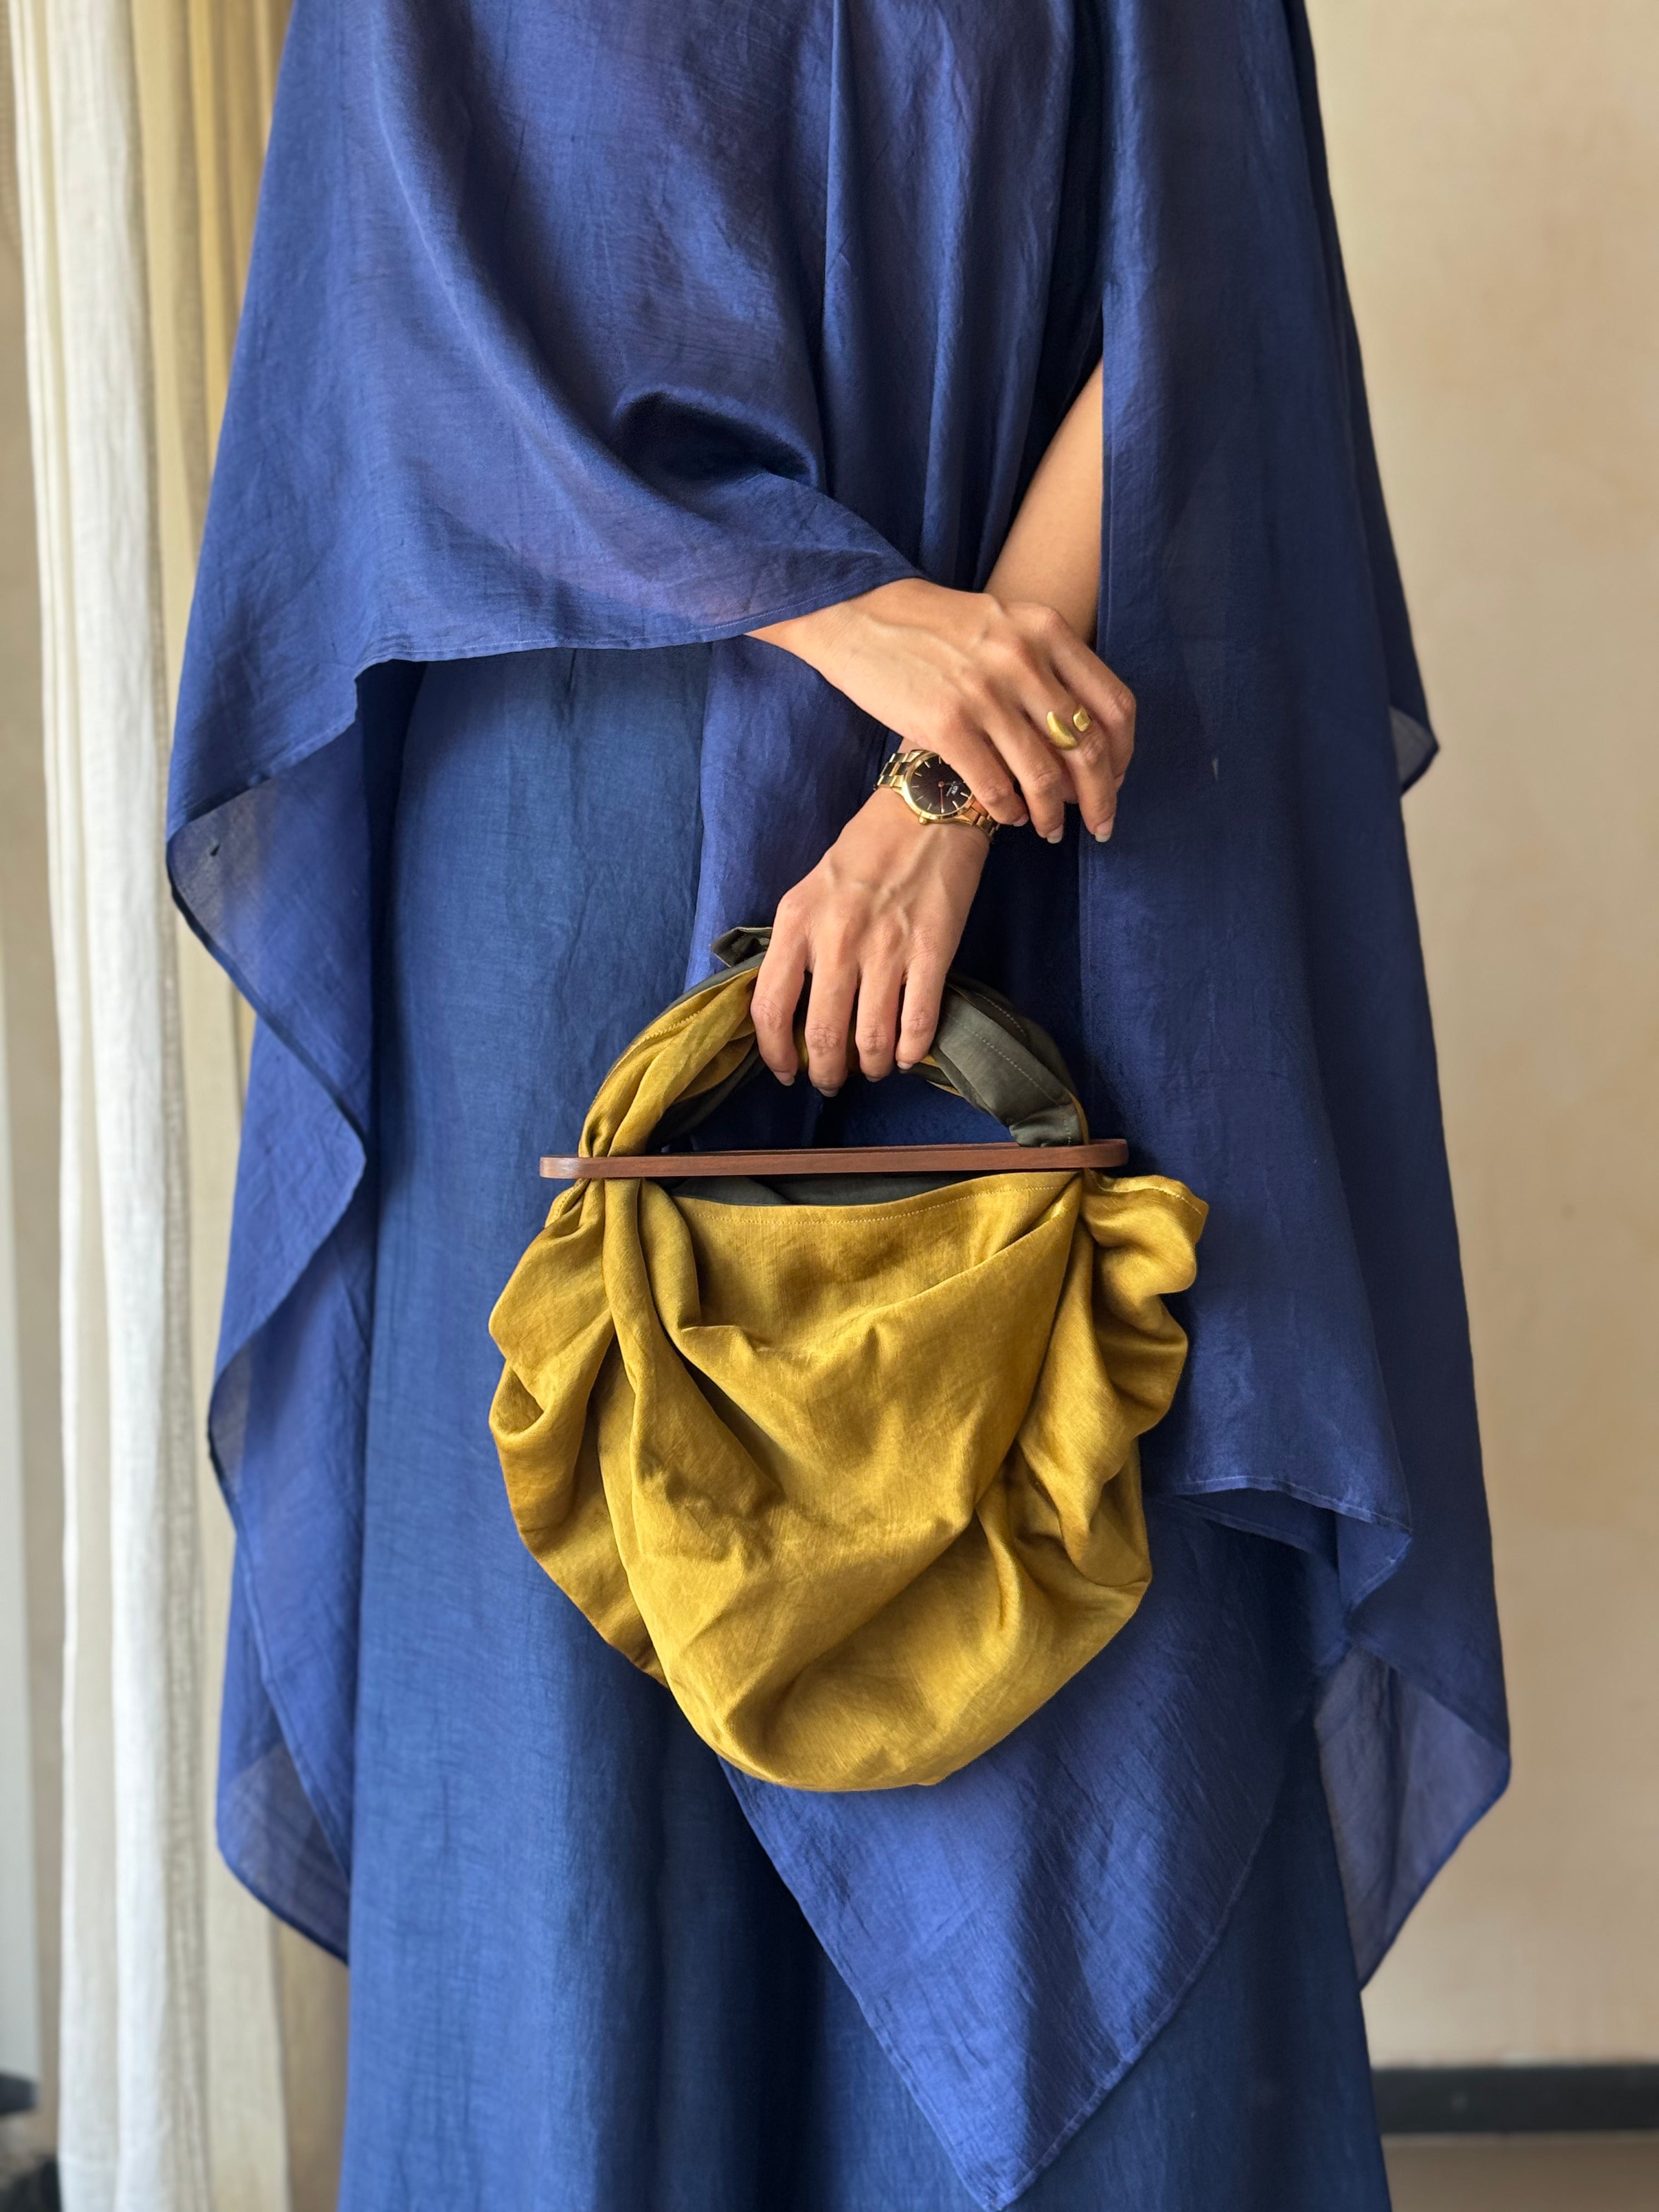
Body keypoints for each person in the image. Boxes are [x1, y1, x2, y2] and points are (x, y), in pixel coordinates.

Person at [168, 2, 1508, 2205]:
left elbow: (1209, 271)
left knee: (1069, 1681)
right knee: (577, 1759)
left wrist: (947, 771)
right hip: (574, 814)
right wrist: (849, 623)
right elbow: (393, 325)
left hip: (1055, 786)